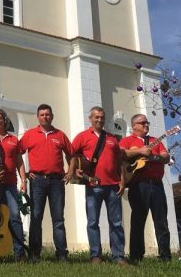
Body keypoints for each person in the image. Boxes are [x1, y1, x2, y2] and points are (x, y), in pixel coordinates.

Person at [72, 106, 127, 265]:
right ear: (90, 118)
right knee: (92, 222)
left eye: (102, 117)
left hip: (113, 186)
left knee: (116, 223)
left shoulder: (112, 138)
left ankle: (119, 256)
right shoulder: (82, 136)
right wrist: (75, 170)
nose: (99, 120)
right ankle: (95, 256)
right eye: (96, 117)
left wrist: (122, 180)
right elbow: (72, 154)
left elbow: (119, 161)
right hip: (93, 185)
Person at [19, 103, 74, 263]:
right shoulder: (30, 134)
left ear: (52, 116)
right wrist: (25, 174)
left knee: (58, 219)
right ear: (38, 117)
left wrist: (70, 172)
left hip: (57, 181)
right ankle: (34, 254)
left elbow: (71, 155)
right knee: (36, 218)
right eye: (42, 115)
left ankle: (62, 254)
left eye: (48, 114)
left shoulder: (60, 135)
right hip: (37, 181)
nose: (45, 117)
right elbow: (17, 153)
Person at [119, 113, 171, 262]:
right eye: (143, 123)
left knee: (161, 221)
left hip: (157, 184)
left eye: (147, 122)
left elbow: (166, 157)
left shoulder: (155, 141)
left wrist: (154, 157)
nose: (146, 125)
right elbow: (120, 153)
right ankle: (136, 256)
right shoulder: (127, 140)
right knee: (138, 221)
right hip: (138, 185)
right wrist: (140, 151)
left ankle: (165, 256)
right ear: (134, 126)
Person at [0, 107, 27, 261]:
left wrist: (23, 180)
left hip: (10, 184)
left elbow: (19, 161)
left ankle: (19, 253)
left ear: (5, 120)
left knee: (15, 216)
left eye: (0, 118)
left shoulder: (13, 139)